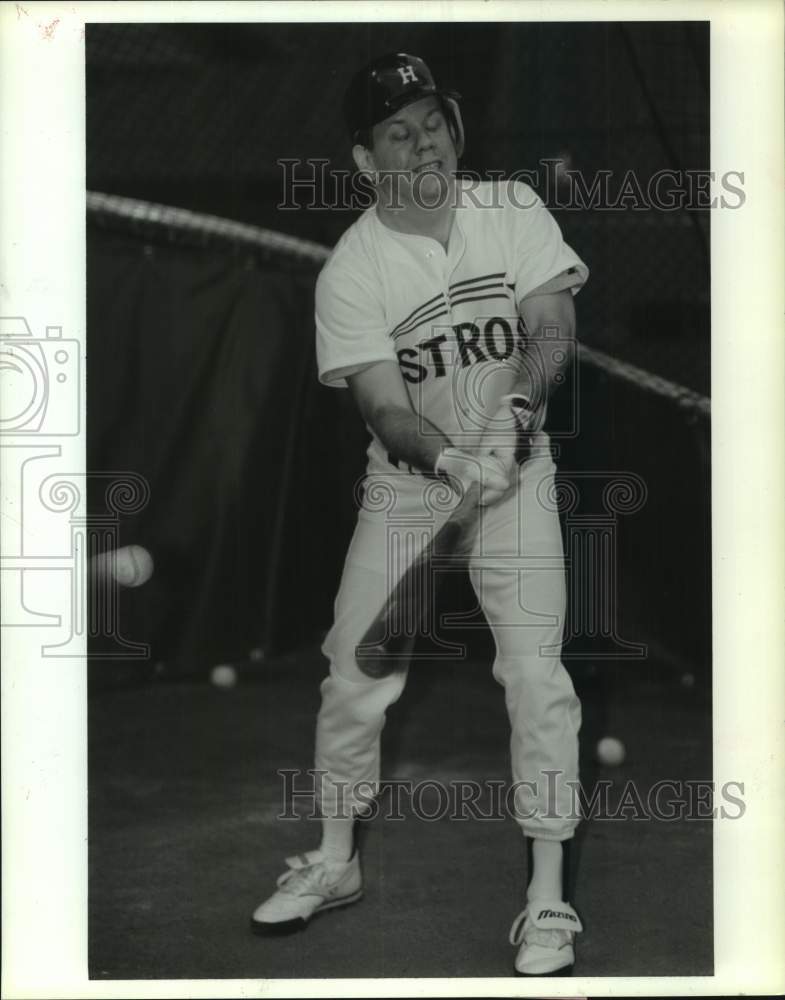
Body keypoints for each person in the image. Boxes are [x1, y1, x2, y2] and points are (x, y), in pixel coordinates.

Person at [252, 52, 589, 977]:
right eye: (398, 131)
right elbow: (382, 407)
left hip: (516, 479)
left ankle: (547, 894)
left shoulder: (509, 212)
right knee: (353, 671)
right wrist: (445, 457)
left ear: (455, 129)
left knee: (533, 674)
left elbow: (549, 325)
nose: (424, 141)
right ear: (366, 161)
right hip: (410, 492)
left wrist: (514, 419)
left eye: (433, 120)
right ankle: (333, 860)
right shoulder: (352, 270)